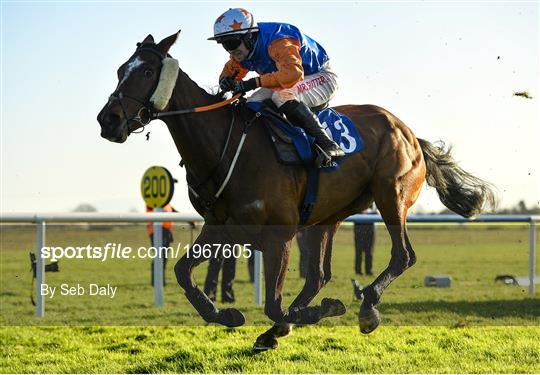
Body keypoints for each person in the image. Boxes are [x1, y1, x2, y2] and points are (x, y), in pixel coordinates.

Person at [208, 8, 345, 167]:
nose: (231, 50)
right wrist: (225, 81)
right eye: (224, 44)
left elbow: (292, 74)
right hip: (290, 81)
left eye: (232, 42)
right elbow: (230, 73)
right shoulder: (243, 50)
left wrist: (252, 83)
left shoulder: (278, 41)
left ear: (249, 35)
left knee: (281, 97)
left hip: (321, 76)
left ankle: (329, 145)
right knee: (253, 101)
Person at [146, 203, 176, 286]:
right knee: (159, 256)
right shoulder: (155, 201)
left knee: (164, 257)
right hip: (156, 230)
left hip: (165, 231)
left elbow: (175, 212)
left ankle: (160, 281)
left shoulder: (167, 204)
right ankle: (156, 281)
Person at [353, 204, 377, 275]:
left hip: (370, 231)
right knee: (358, 252)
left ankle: (368, 271)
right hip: (359, 231)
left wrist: (367, 212)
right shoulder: (357, 203)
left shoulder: (373, 203)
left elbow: (376, 213)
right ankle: (358, 271)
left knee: (369, 252)